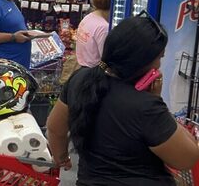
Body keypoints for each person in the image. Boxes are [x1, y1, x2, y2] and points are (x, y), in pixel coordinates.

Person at [47, 14, 199, 184]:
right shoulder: (146, 106)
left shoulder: (80, 80)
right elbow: (187, 159)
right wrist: (157, 101)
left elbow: (55, 128)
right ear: (141, 61)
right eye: (159, 58)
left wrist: (61, 157)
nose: (159, 65)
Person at [75, 0, 112, 68]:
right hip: (94, 74)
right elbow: (105, 60)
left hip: (81, 69)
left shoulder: (88, 18)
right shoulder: (103, 27)